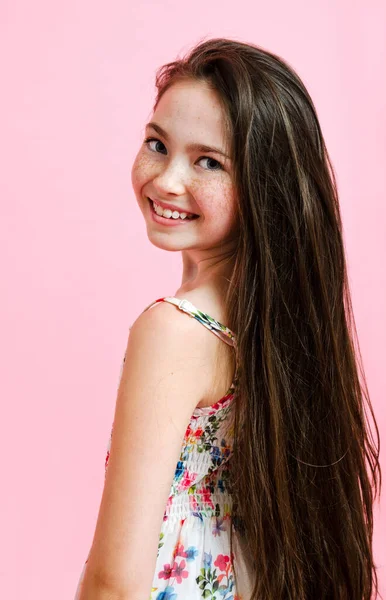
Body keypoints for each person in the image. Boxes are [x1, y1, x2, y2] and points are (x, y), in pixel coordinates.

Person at [74, 37, 381, 600]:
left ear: (264, 187)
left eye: (208, 161)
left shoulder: (171, 332)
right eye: (156, 144)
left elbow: (114, 584)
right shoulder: (276, 340)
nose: (167, 180)